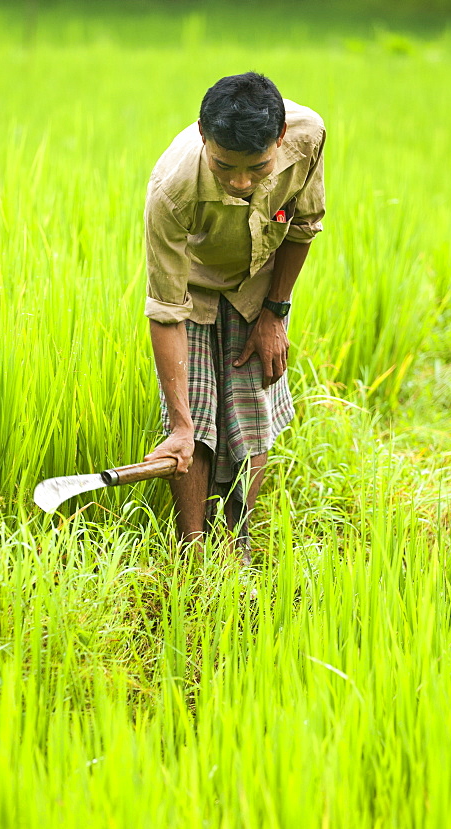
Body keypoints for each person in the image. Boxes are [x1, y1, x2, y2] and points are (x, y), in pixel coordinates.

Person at [143, 72, 325, 559]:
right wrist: (180, 423)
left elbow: (304, 226)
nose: (241, 182)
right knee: (196, 419)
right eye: (225, 167)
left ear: (280, 139)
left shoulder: (307, 137)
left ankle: (235, 542)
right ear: (204, 135)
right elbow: (165, 309)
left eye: (257, 168)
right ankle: (193, 552)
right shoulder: (172, 188)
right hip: (195, 286)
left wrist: (275, 314)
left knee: (250, 409)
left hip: (258, 282)